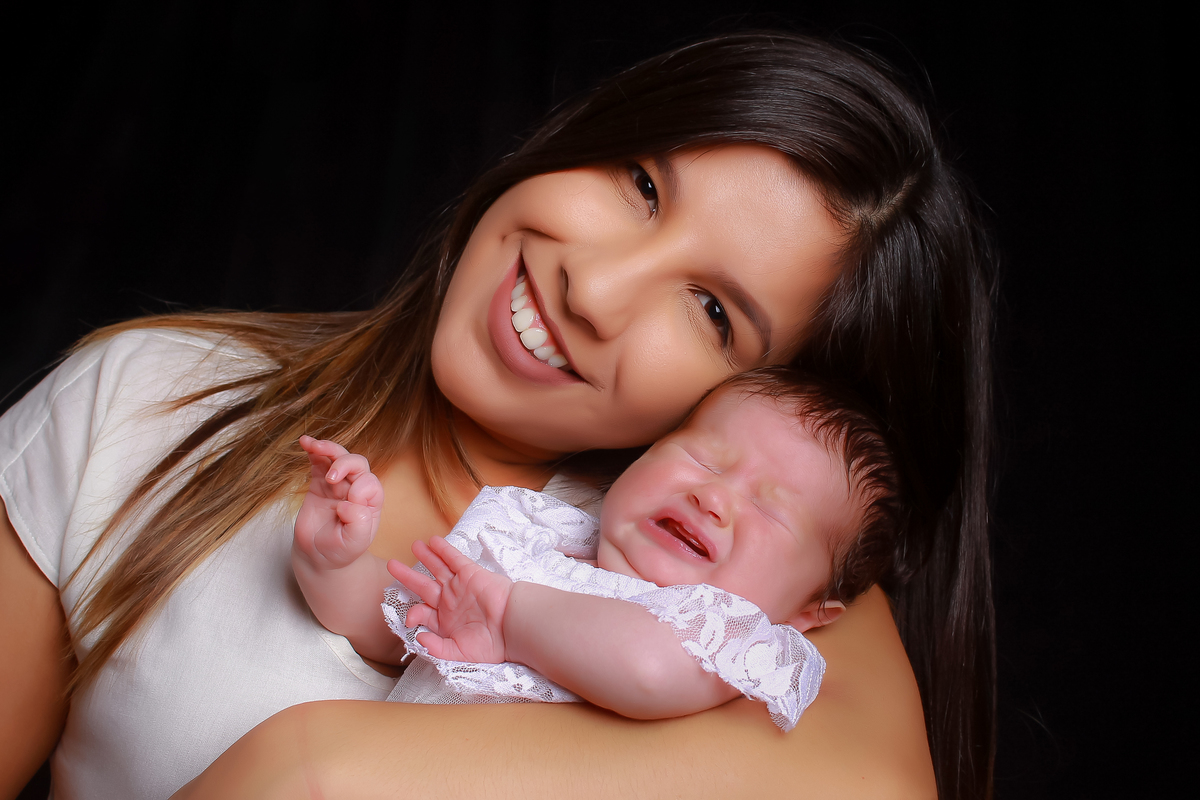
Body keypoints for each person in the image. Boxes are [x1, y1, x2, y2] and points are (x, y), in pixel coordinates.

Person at [0, 31, 994, 800]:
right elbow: (397, 612)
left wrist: (311, 764)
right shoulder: (154, 398)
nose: (593, 288)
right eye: (643, 184)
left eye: (712, 311)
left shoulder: (753, 594)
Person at [293, 369, 900, 731]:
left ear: (808, 612)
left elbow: (648, 668)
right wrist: (332, 562)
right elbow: (398, 626)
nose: (712, 497)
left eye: (769, 509)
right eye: (703, 458)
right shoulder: (534, 540)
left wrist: (510, 618)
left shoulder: (730, 636)